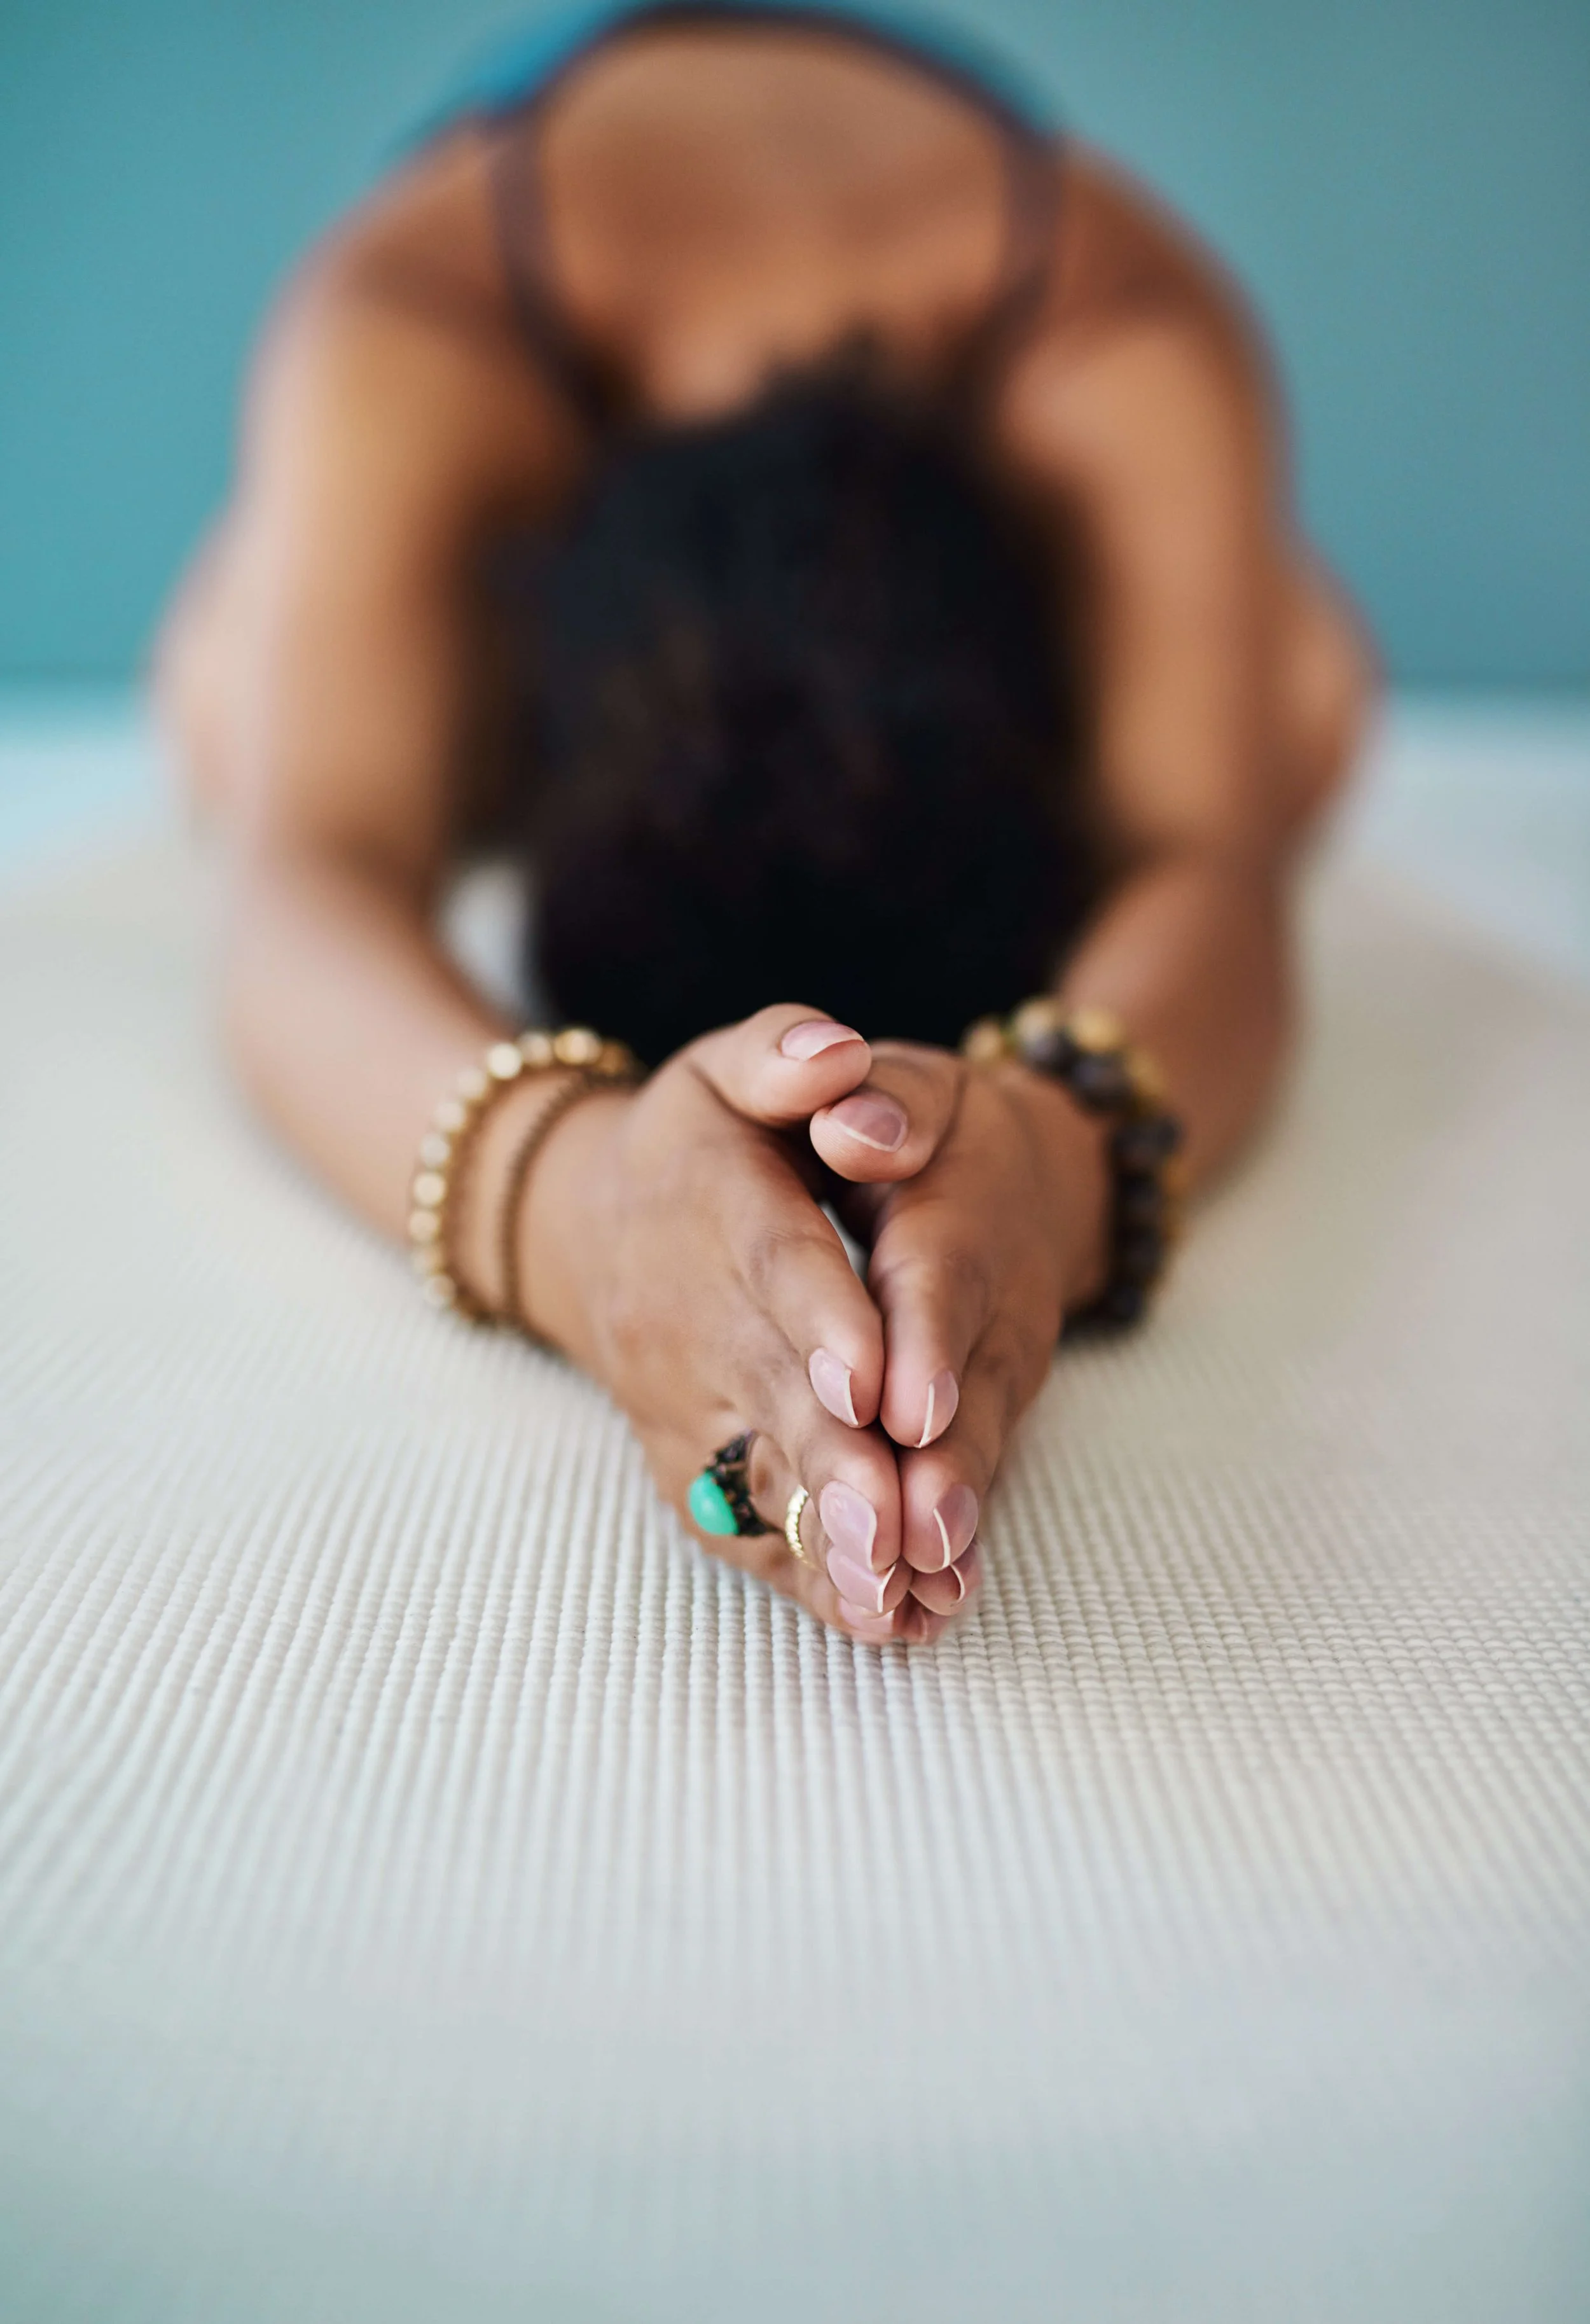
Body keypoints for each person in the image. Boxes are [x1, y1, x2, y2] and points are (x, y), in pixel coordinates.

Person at [156, 0, 1374, 1646]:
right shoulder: (418, 321)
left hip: (985, 351)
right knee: (229, 692)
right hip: (527, 285)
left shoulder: (1114, 335)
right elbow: (307, 873)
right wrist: (581, 1219)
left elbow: (1207, 862)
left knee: (1305, 698)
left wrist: (1047, 1156)